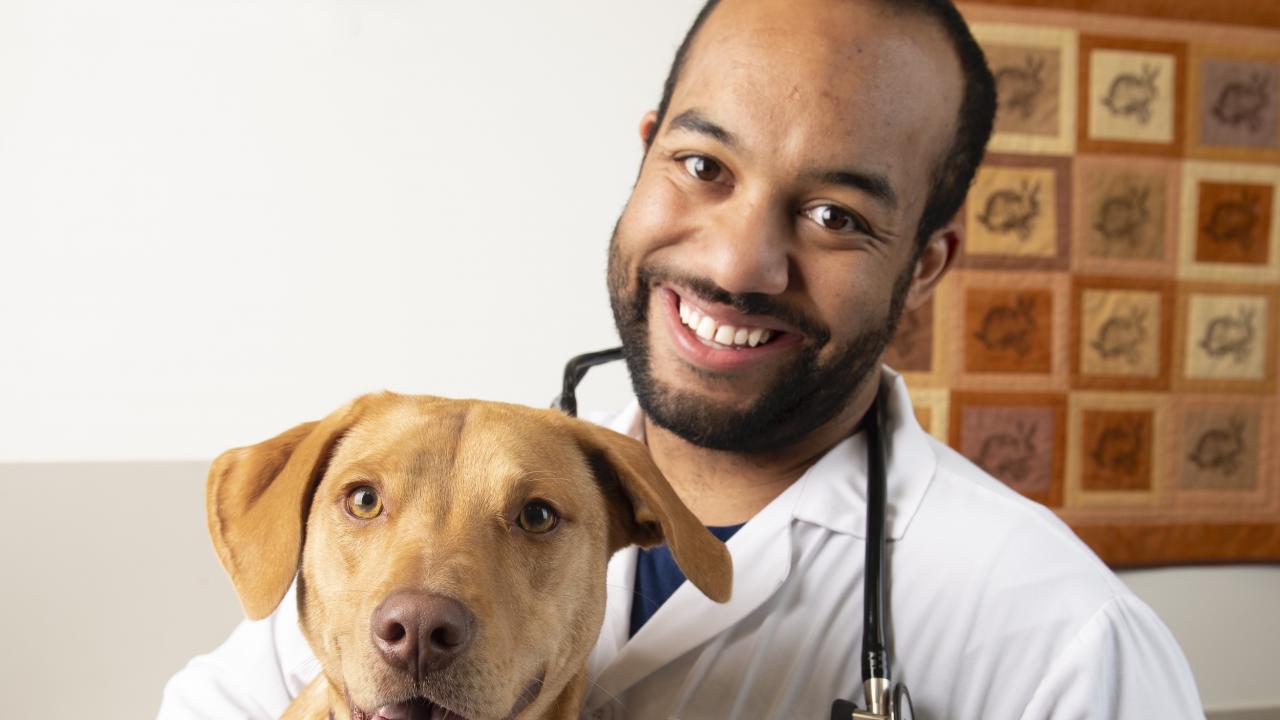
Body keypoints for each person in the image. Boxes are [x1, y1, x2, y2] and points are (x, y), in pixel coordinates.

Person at [160, 0, 1204, 717]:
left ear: (923, 265)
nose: (738, 261)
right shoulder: (418, 540)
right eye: (702, 166)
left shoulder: (1061, 639)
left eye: (834, 214)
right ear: (647, 150)